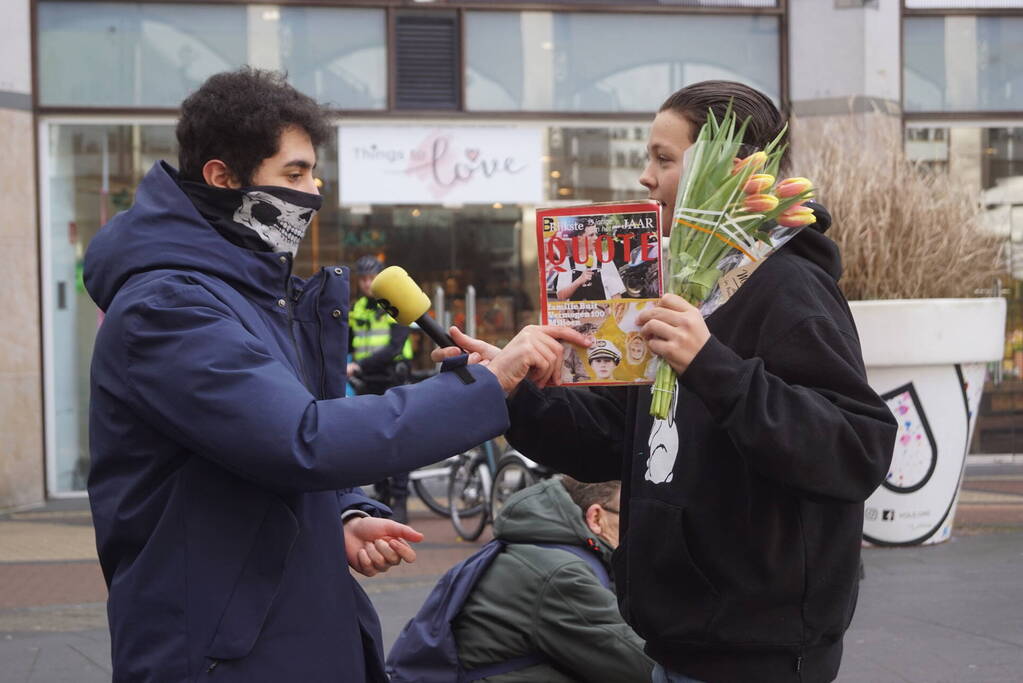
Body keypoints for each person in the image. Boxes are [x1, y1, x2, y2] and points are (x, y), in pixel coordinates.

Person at [83, 67, 582, 682]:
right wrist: (489, 383)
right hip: (218, 652)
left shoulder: (249, 291)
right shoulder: (168, 306)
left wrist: (339, 515)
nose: (312, 192)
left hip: (282, 631)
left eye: (314, 173)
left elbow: (252, 452)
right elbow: (300, 438)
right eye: (294, 174)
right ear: (222, 177)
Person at [436, 81, 898, 683]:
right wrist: (518, 391)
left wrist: (712, 365)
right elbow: (612, 441)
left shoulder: (790, 289)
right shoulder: (679, 282)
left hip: (760, 654)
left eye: (663, 158)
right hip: (674, 642)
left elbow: (857, 448)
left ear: (729, 172)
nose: (644, 178)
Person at [451, 477, 654, 682]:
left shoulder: (547, 545)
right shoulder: (562, 574)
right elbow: (642, 665)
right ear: (596, 518)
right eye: (635, 517)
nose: (644, 530)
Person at [348, 254, 415, 522]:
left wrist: (359, 364)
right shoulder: (358, 309)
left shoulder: (395, 303)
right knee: (372, 442)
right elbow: (349, 343)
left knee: (398, 441)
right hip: (366, 381)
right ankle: (383, 493)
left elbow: (394, 347)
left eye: (371, 277)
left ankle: (400, 500)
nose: (366, 283)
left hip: (392, 378)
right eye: (362, 279)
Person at [556, 220, 626, 301]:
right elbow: (561, 297)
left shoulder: (605, 261)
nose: (596, 238)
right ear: (579, 239)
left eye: (596, 234)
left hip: (603, 312)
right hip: (577, 313)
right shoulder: (567, 263)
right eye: (591, 235)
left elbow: (616, 297)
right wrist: (579, 281)